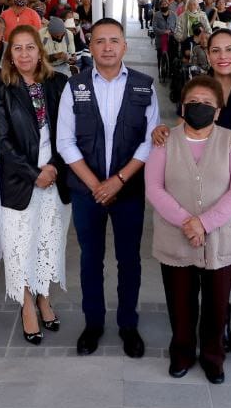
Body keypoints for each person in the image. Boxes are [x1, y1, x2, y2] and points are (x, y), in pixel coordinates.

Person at [57, 18, 159, 358]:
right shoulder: (75, 86)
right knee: (90, 260)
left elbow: (150, 141)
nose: (107, 47)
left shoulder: (145, 86)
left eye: (114, 40)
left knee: (129, 260)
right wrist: (96, 185)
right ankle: (94, 324)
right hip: (88, 192)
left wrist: (118, 180)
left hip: (127, 190)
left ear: (124, 46)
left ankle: (128, 325)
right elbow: (65, 142)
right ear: (92, 45)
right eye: (100, 41)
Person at [146, 76, 231, 383]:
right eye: (193, 102)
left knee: (217, 305)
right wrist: (186, 222)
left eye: (207, 103)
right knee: (180, 302)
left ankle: (213, 356)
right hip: (175, 237)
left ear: (218, 111)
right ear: (182, 106)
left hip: (221, 236)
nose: (199, 107)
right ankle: (182, 353)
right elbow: (154, 188)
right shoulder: (165, 141)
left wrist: (203, 223)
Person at [0, 26, 71, 345]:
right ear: (10, 54)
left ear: (41, 50)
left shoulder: (58, 84)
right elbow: (2, 140)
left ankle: (43, 298)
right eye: (18, 49)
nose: (24, 54)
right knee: (19, 244)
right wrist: (32, 172)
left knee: (47, 240)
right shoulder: (2, 88)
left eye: (30, 47)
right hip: (19, 179)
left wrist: (54, 168)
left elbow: (71, 134)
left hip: (55, 173)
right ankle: (26, 305)